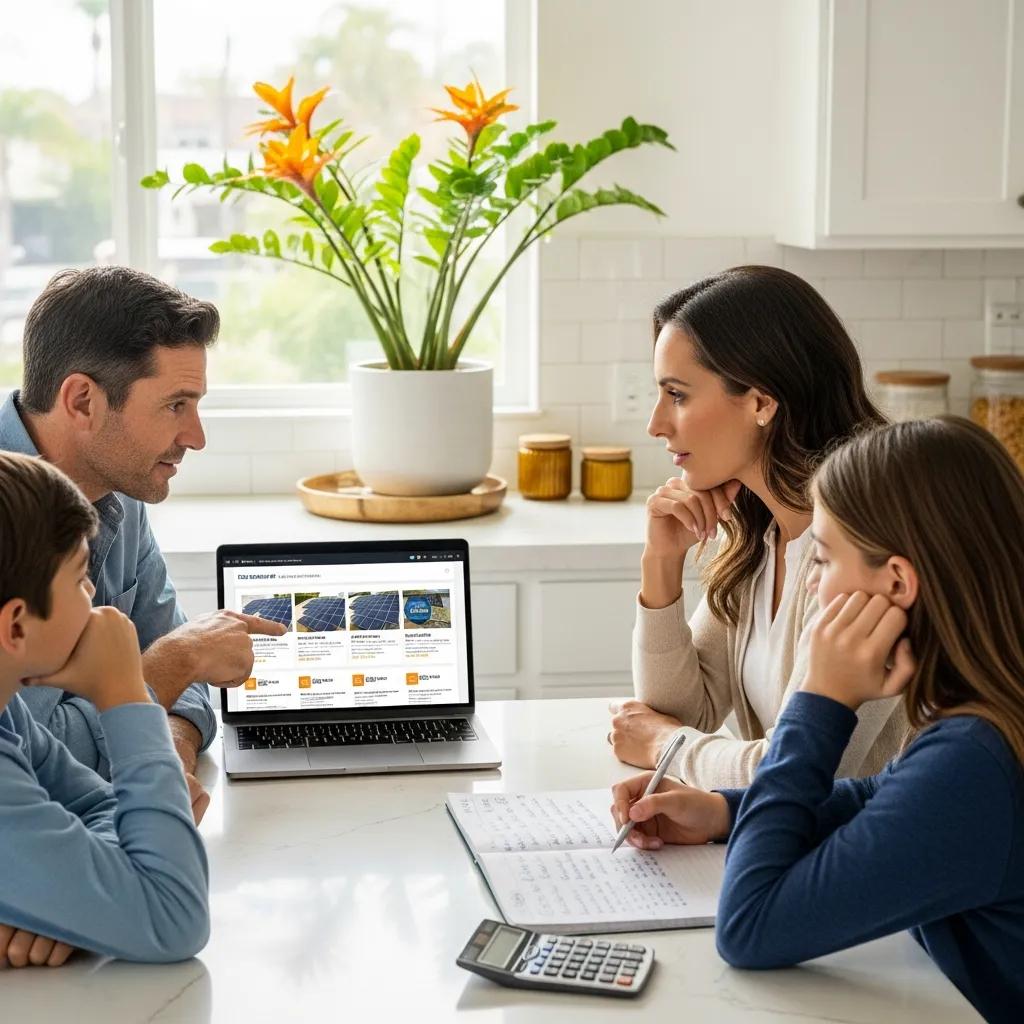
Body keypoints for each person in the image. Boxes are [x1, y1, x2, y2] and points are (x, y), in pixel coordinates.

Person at [610, 417, 1024, 1023]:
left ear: (897, 583)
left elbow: (749, 927)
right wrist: (727, 811)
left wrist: (820, 700)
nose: (812, 581)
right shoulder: (982, 715)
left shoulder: (974, 762)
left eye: (824, 561)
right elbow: (884, 800)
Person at [0, 266, 286, 816]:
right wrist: (171, 666)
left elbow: (187, 671)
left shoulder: (119, 483)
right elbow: (24, 758)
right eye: (176, 405)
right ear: (83, 400)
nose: (196, 438)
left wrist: (168, 748)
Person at [609, 265, 907, 788]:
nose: (655, 423)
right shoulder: (762, 535)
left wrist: (662, 746)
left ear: (761, 402)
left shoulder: (865, 556)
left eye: (677, 395)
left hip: (888, 859)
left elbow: (797, 774)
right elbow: (685, 711)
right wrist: (661, 565)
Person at [0, 452, 209, 966]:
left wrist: (65, 897)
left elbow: (98, 806)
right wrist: (126, 694)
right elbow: (174, 916)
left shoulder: (8, 713)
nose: (96, 600)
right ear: (16, 627)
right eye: (79, 579)